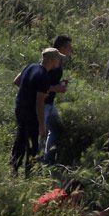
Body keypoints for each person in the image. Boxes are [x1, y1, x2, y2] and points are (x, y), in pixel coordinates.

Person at [10, 48, 61, 177]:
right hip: (31, 113)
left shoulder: (31, 66)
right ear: (51, 60)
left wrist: (28, 91)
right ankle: (29, 174)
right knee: (32, 144)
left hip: (20, 107)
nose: (60, 60)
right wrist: (42, 126)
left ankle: (14, 169)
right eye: (58, 58)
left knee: (20, 138)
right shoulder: (44, 76)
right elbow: (39, 103)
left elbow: (16, 81)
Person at [40, 35, 72, 165]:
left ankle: (48, 161)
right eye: (69, 47)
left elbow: (48, 82)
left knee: (57, 129)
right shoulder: (50, 62)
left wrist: (60, 83)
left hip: (50, 103)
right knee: (40, 134)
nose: (71, 50)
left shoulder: (58, 61)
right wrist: (57, 88)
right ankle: (38, 164)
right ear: (62, 47)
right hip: (42, 104)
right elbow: (39, 84)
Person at [34, 179, 109, 216]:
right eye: (81, 193)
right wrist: (107, 212)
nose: (82, 196)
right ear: (75, 191)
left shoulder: (59, 192)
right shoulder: (63, 199)